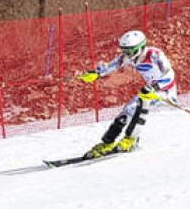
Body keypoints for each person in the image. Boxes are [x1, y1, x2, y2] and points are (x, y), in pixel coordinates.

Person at [76, 29, 178, 158]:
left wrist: (155, 87)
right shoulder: (130, 56)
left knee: (141, 106)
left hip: (165, 92)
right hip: (148, 91)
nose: (127, 54)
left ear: (140, 47)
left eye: (130, 51)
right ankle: (107, 142)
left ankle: (131, 140)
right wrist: (97, 74)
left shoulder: (155, 55)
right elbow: (113, 65)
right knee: (126, 112)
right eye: (124, 50)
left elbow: (169, 75)